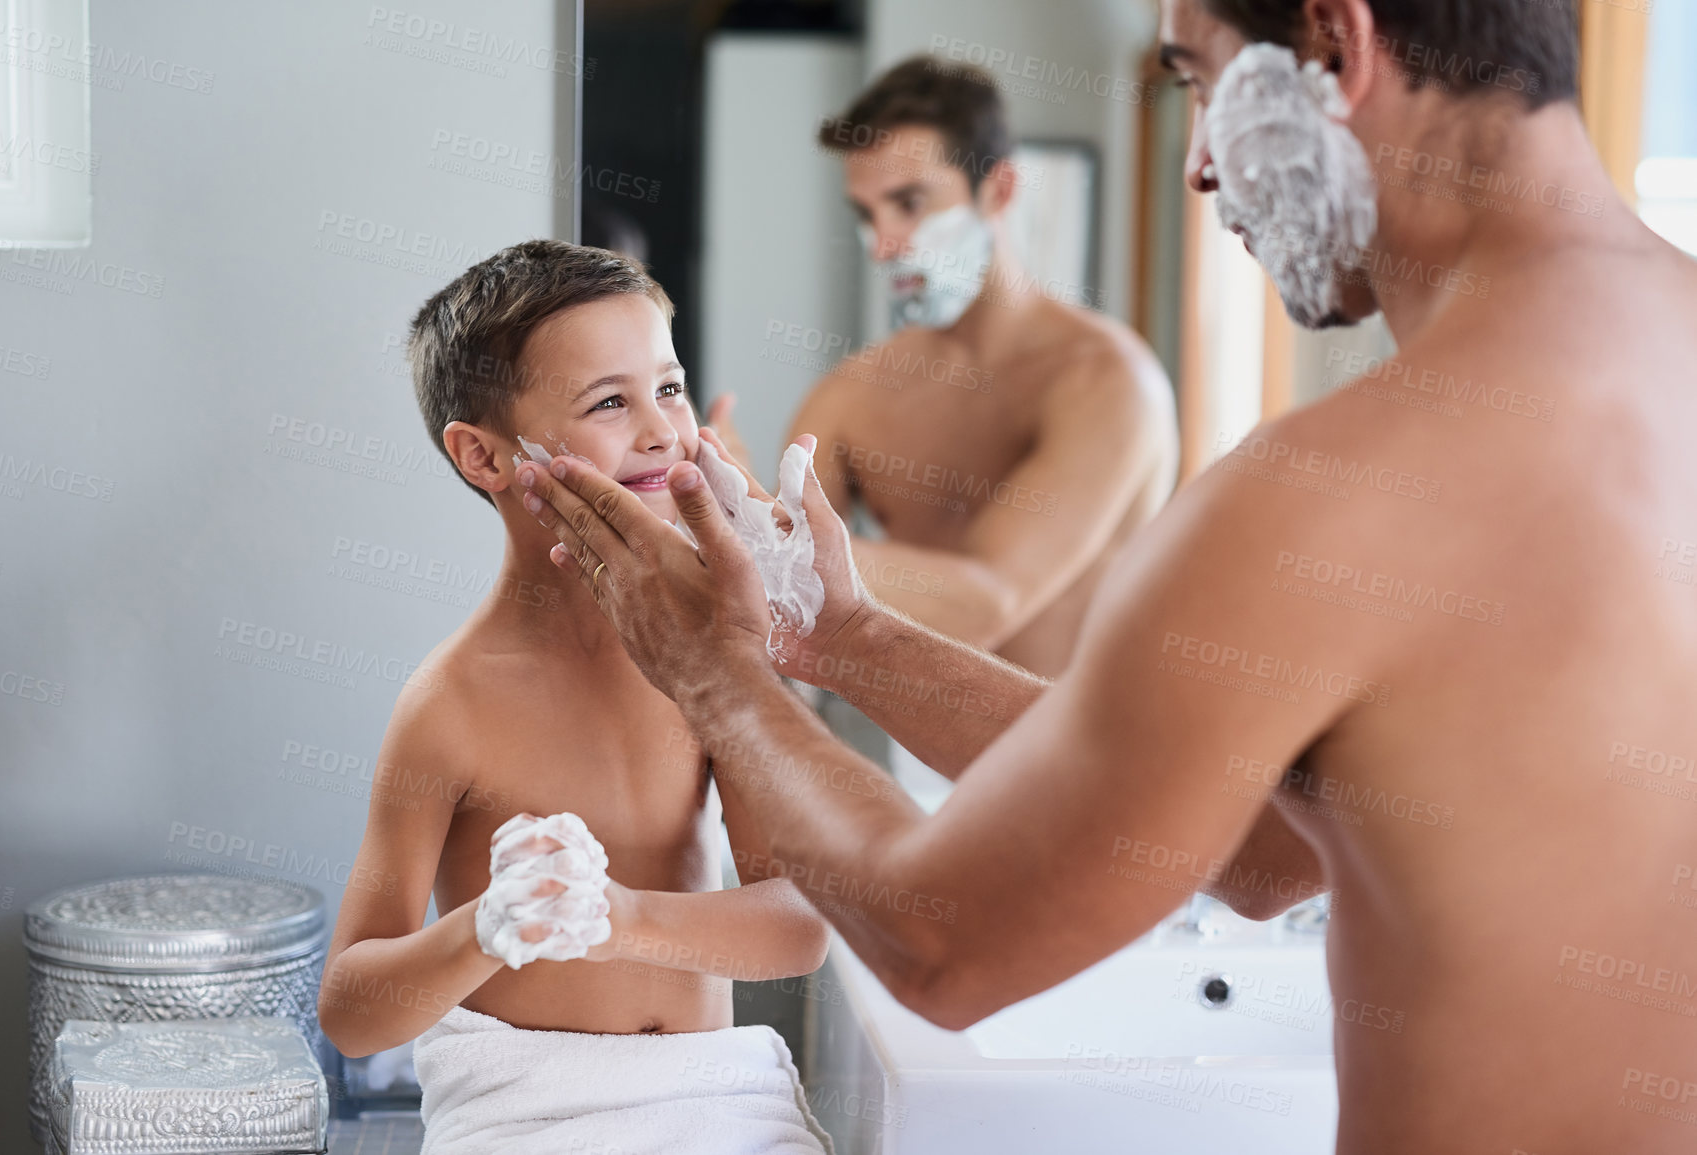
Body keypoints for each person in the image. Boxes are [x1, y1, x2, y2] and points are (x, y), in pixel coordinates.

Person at [513, 1, 1697, 1151]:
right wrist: (838, 638)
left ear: (1338, 43)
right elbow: (1265, 852)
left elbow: (949, 947)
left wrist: (716, 677)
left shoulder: (1332, 488)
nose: (1195, 168)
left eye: (1196, 84)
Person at [318, 239, 832, 1154]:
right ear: (483, 456)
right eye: (609, 401)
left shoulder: (711, 660)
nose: (661, 433)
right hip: (524, 1114)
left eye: (669, 388)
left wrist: (614, 920)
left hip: (708, 1104)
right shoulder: (451, 704)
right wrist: (487, 927)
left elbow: (797, 930)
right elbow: (354, 1012)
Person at [791, 56, 1178, 679]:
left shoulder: (1108, 382)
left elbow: (986, 603)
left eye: (909, 202)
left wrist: (772, 540)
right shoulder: (851, 395)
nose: (884, 243)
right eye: (865, 215)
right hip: (907, 761)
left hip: (1070, 763)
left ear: (999, 190)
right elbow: (789, 617)